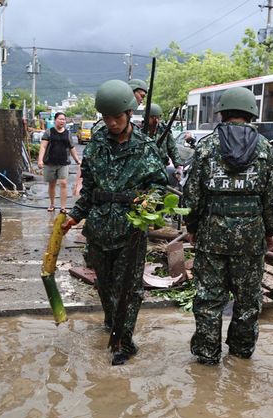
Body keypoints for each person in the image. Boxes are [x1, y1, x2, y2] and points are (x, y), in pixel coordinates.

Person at [62, 80, 168, 365]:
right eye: (106, 118)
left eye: (116, 117)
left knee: (130, 288)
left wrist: (150, 204)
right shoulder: (96, 145)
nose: (111, 123)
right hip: (98, 228)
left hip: (131, 229)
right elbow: (89, 190)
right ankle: (113, 322)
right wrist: (74, 216)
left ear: (129, 114)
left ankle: (124, 341)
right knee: (105, 284)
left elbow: (160, 187)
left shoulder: (145, 147)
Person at [183, 87, 273, 365]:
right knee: (248, 299)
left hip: (211, 234)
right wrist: (271, 231)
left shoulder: (206, 146)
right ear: (251, 113)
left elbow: (192, 194)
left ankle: (206, 355)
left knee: (208, 298)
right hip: (250, 236)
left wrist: (192, 225)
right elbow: (272, 196)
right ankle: (241, 353)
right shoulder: (265, 147)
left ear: (222, 112)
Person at [37, 112, 81, 212]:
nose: (62, 121)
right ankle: (52, 204)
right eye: (60, 119)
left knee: (63, 183)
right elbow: (43, 147)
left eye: (63, 119)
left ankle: (63, 207)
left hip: (63, 163)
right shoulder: (49, 132)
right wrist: (40, 160)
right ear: (55, 120)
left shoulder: (68, 134)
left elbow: (72, 147)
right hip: (50, 163)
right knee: (52, 184)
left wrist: (77, 160)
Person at [146, 103, 183, 186]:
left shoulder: (164, 130)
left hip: (161, 168)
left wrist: (179, 167)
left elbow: (172, 149)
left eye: (157, 117)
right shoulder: (140, 131)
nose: (156, 120)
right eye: (152, 117)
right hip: (144, 170)